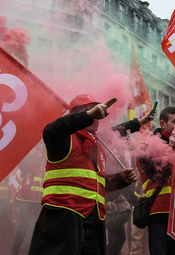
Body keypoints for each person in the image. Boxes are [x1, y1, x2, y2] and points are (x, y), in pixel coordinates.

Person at [28, 94, 152, 255]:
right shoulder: (62, 140)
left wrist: (120, 179)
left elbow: (97, 184)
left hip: (95, 221)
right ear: (76, 116)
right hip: (63, 219)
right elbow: (51, 129)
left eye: (97, 114)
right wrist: (86, 116)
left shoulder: (97, 145)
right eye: (92, 113)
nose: (96, 118)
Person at [137, 106, 175, 255]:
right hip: (158, 212)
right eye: (174, 121)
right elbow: (156, 175)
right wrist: (170, 149)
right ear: (163, 124)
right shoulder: (147, 146)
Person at [11, 145, 45, 255]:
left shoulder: (46, 158)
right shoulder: (27, 156)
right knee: (22, 227)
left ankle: (31, 250)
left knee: (38, 228)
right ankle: (14, 252)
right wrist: (29, 151)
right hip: (26, 199)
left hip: (40, 200)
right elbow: (22, 165)